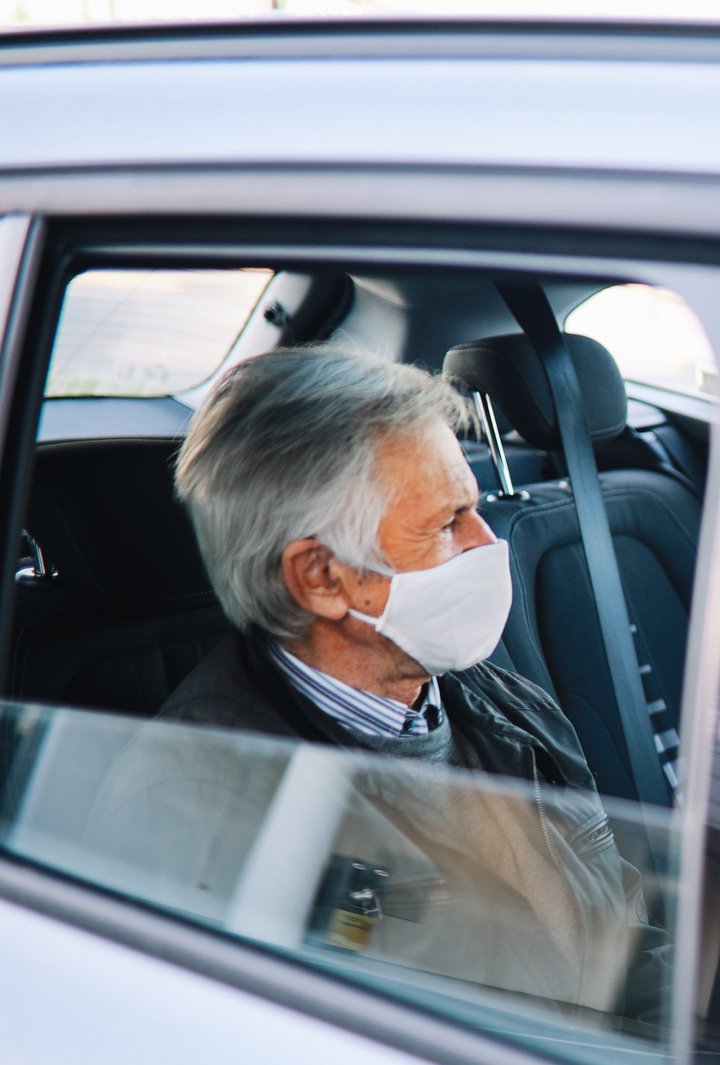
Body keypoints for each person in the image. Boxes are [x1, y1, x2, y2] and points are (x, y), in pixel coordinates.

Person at [89, 345, 646, 1015]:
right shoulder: (192, 811)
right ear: (322, 578)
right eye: (445, 524)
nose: (487, 543)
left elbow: (626, 932)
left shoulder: (503, 704)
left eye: (471, 509)